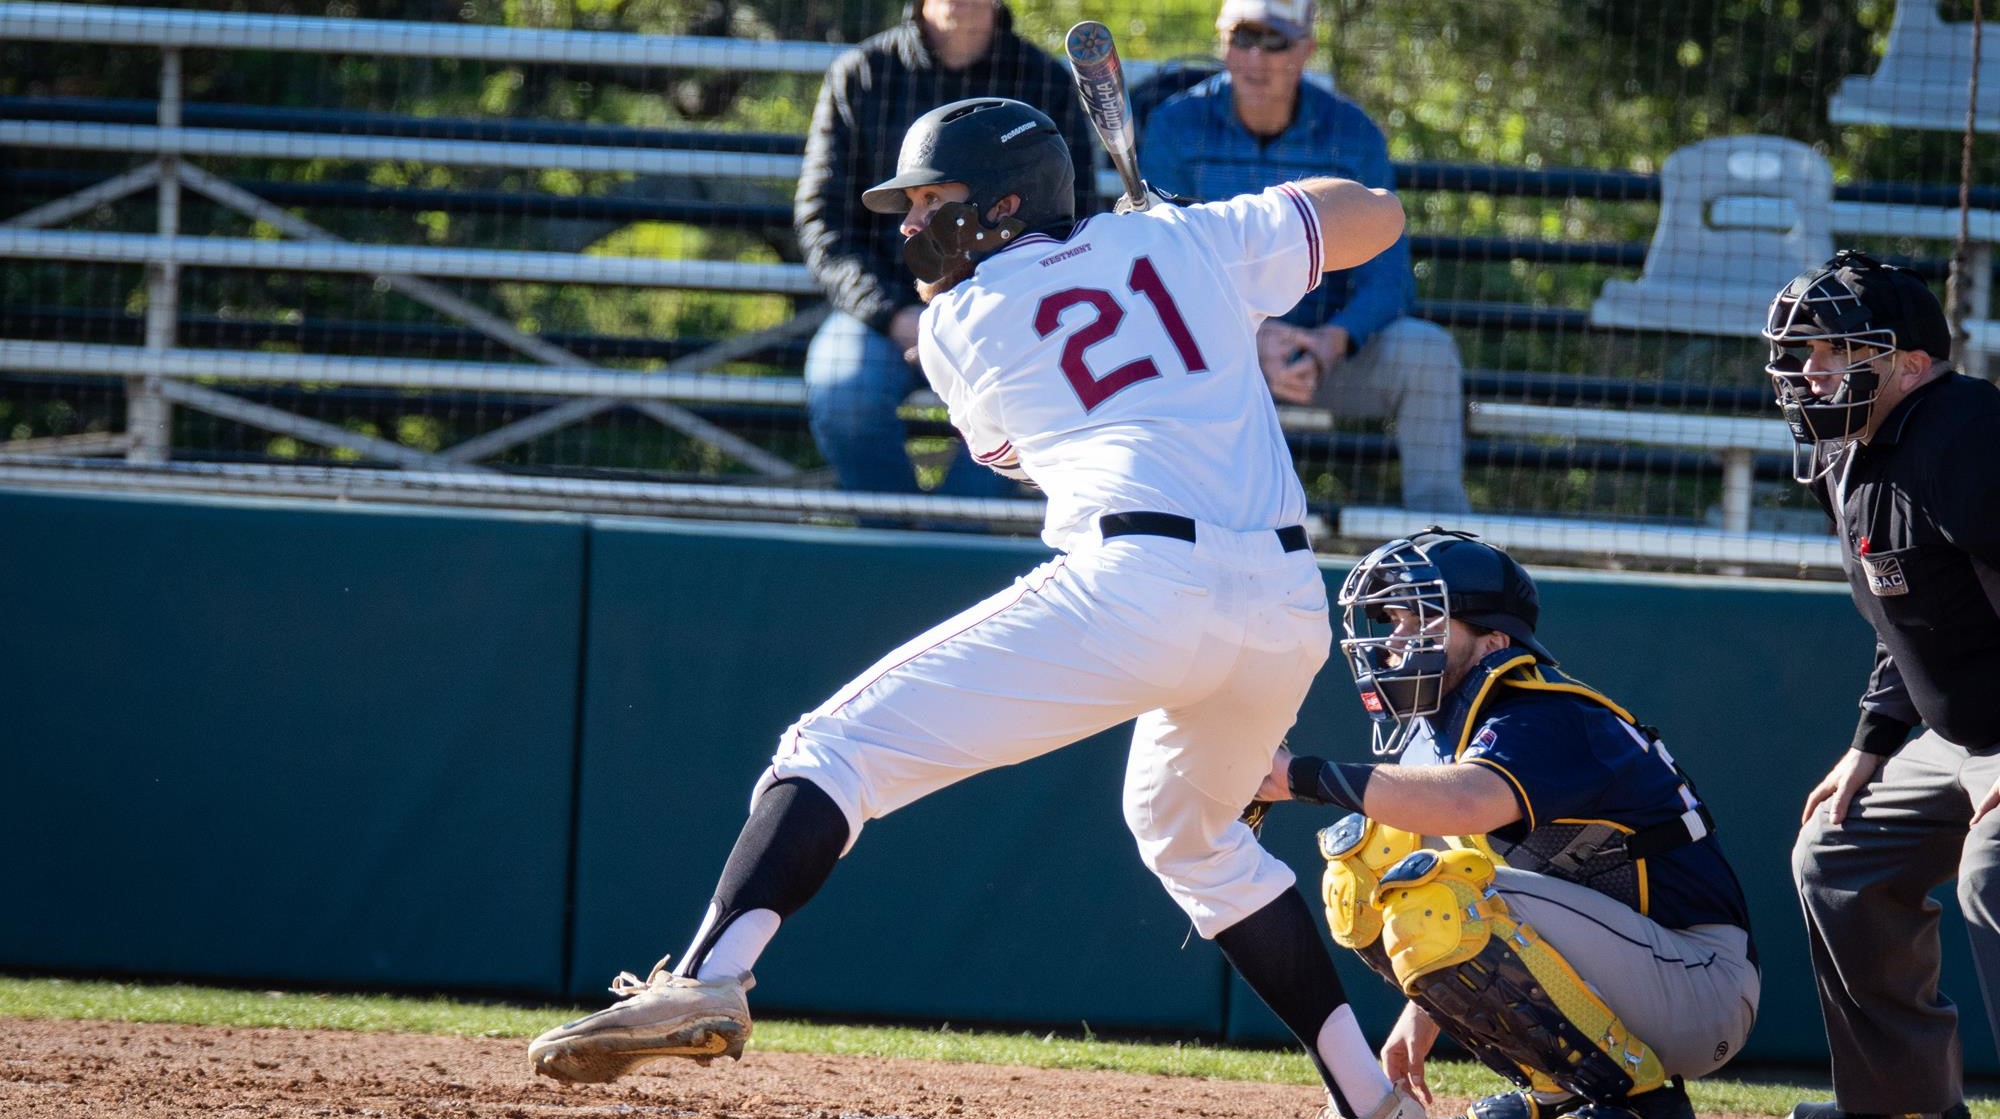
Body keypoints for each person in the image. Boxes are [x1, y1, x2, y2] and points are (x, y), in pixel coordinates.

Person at [530, 95, 1427, 1119]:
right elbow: (1373, 213)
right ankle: (1370, 1101)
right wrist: (1195, 226)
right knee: (1191, 838)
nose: (908, 225)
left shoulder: (958, 323)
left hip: (1136, 583)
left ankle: (708, 975)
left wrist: (1169, 242)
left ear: (1005, 204)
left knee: (830, 752)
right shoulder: (1183, 235)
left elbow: (1008, 453)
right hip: (1281, 606)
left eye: (930, 200)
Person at [1253, 528, 1758, 1119]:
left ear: (1493, 640)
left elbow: (1467, 808)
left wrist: (1299, 777)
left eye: (1418, 621)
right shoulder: (1445, 731)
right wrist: (1422, 1019)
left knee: (1434, 887)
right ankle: (1563, 1091)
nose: (1394, 641)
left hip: (1699, 982)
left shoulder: (1545, 711)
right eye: (1394, 620)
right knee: (1364, 876)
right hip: (1635, 967)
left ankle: (1642, 1105)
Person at [1763, 250, 2000, 1119]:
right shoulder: (1845, 454)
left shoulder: (1966, 432)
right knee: (1836, 854)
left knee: (1996, 867)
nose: (1809, 373)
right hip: (1963, 734)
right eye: (1800, 354)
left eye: (1835, 352)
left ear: (1910, 362)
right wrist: (1871, 743)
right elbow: (1899, 611)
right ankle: (1905, 1108)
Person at [1140, 0, 1469, 515]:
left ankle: (1447, 553)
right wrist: (1251, 339)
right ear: (1222, 42)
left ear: (1306, 51)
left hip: (1324, 353)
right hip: (1208, 356)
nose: (1257, 57)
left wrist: (1328, 343)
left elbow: (1389, 280)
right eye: (1243, 38)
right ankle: (1162, 530)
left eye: (1275, 41)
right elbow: (1162, 267)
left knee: (1426, 354)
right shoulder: (1175, 125)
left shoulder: (1352, 132)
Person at [794, 0, 1098, 504]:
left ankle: (957, 540)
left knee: (1026, 406)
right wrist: (894, 314)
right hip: (883, 311)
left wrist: (991, 310)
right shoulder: (862, 75)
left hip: (1012, 310)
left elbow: (1074, 212)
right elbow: (822, 224)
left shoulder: (1044, 78)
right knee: (845, 395)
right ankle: (901, 552)